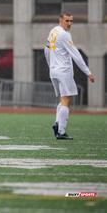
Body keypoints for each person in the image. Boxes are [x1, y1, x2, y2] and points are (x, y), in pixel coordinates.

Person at [44, 12, 95, 140]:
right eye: (67, 21)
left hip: (54, 71)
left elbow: (46, 49)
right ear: (60, 20)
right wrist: (88, 72)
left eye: (71, 21)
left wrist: (51, 66)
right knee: (66, 100)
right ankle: (61, 132)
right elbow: (76, 55)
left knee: (63, 100)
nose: (70, 23)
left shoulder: (53, 31)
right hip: (64, 71)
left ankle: (57, 125)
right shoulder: (64, 35)